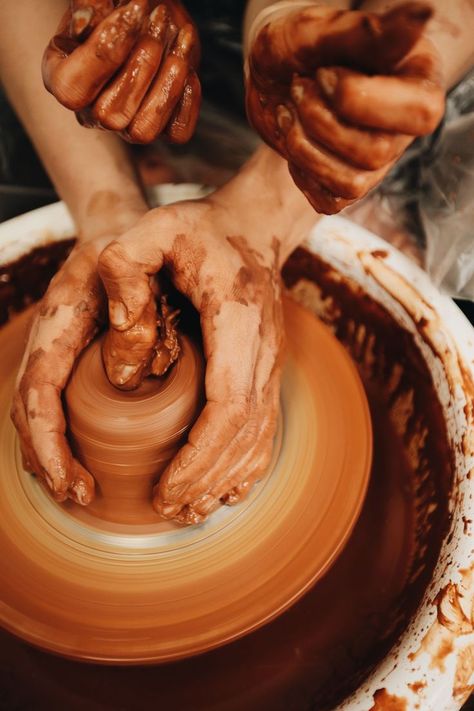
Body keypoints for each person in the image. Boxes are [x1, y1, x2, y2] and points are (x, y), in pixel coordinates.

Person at [2, 0, 472, 524]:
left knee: (404, 243)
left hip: (347, 53)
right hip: (101, 98)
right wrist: (105, 210)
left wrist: (262, 217)